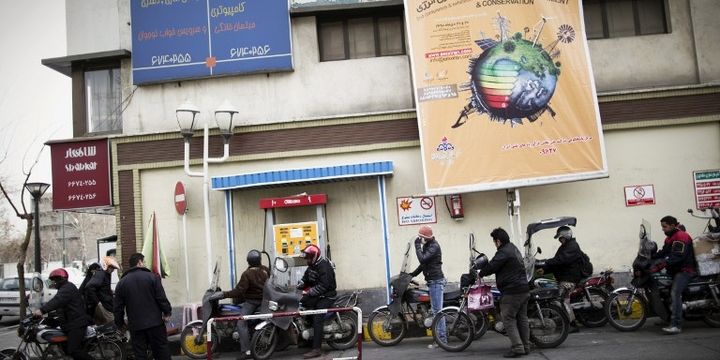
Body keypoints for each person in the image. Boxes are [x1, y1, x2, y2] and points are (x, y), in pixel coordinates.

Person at [476, 228, 530, 358]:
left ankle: (517, 347)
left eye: (494, 241)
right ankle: (525, 346)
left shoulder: (503, 252)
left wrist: (479, 272)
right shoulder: (513, 248)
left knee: (508, 319)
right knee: (522, 318)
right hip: (523, 288)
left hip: (512, 291)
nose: (494, 244)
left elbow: (492, 266)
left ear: (498, 241)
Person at [209, 250, 270, 360]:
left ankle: (246, 351)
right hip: (265, 301)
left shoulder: (247, 274)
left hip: (252, 302)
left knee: (241, 323)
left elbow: (239, 291)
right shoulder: (265, 270)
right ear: (260, 260)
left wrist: (223, 294)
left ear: (248, 261)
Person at [114, 253, 172, 360]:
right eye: (144, 262)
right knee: (161, 351)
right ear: (139, 262)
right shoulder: (152, 277)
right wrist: (167, 312)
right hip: (156, 324)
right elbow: (161, 298)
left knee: (140, 354)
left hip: (136, 327)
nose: (145, 264)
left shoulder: (121, 284)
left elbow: (118, 308)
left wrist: (120, 324)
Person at [32, 268, 93, 360]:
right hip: (70, 323)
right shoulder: (64, 288)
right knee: (65, 348)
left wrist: (42, 310)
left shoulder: (67, 289)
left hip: (76, 324)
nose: (53, 282)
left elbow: (57, 301)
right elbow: (61, 306)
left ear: (61, 279)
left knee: (73, 350)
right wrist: (48, 318)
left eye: (54, 280)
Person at [653, 215, 696, 334]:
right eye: (662, 226)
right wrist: (651, 257)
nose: (663, 229)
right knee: (663, 289)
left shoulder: (681, 236)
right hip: (675, 270)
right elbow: (664, 252)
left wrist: (660, 265)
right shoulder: (670, 238)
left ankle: (676, 325)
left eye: (664, 226)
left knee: (675, 293)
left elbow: (677, 256)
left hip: (685, 270)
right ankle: (668, 317)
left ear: (672, 225)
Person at [536, 225, 583, 333]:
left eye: (560, 238)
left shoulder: (572, 246)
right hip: (564, 276)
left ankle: (572, 324)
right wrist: (544, 269)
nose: (559, 240)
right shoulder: (565, 246)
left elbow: (561, 260)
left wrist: (544, 262)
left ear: (566, 236)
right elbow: (557, 261)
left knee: (562, 299)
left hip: (569, 278)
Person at [408, 224, 446, 347]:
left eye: (421, 237)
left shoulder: (434, 246)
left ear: (426, 237)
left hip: (436, 281)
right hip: (432, 281)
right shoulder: (428, 246)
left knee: (437, 311)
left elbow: (422, 259)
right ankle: (441, 339)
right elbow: (423, 264)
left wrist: (417, 246)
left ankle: (442, 340)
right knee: (435, 311)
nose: (420, 239)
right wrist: (412, 274)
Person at [297, 244, 336, 359]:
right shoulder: (312, 266)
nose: (307, 260)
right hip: (318, 295)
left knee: (317, 316)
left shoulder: (324, 266)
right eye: (307, 258)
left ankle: (316, 349)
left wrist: (309, 292)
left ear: (314, 256)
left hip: (327, 296)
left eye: (309, 258)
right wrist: (300, 285)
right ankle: (308, 339)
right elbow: (306, 279)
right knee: (303, 307)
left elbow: (324, 286)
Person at [85, 256, 119, 325]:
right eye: (111, 267)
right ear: (105, 265)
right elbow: (89, 287)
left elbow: (101, 287)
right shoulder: (101, 274)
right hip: (104, 306)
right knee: (113, 325)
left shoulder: (106, 274)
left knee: (102, 327)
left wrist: (110, 291)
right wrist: (98, 302)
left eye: (113, 268)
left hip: (105, 305)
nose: (112, 270)